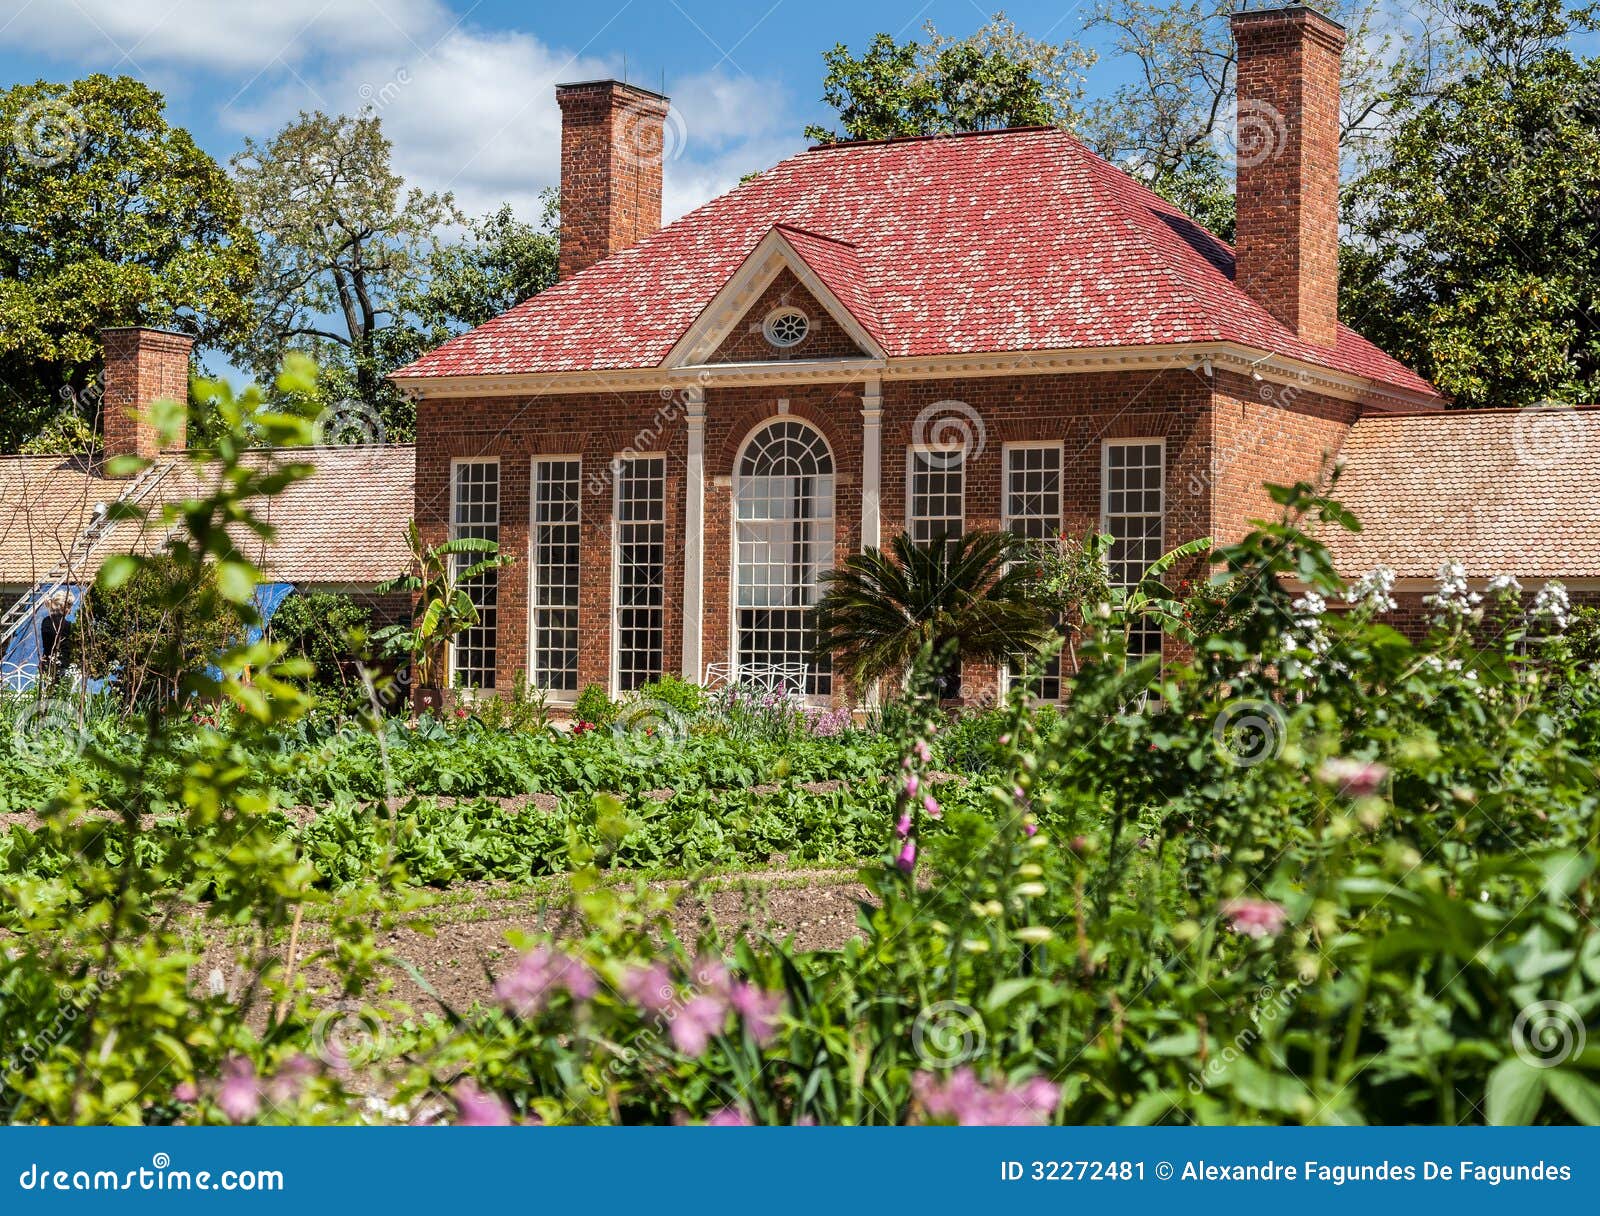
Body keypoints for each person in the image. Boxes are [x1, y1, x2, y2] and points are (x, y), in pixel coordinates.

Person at [37, 592, 71, 687]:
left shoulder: (46, 622)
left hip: (47, 662)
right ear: (64, 607)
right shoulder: (66, 625)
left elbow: (47, 644)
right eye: (69, 606)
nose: (70, 610)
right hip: (62, 665)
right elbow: (67, 647)